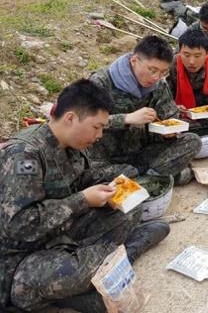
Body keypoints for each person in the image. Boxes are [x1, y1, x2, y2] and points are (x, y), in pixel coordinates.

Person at [0, 80, 169, 312]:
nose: (99, 135)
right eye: (96, 127)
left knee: (129, 207)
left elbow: (79, 179)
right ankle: (119, 258)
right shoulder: (24, 156)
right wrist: (82, 200)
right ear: (70, 118)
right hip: (23, 258)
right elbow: (19, 225)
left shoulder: (71, 144)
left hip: (62, 232)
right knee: (62, 273)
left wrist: (109, 189)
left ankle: (100, 270)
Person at [88, 35, 201, 185]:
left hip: (142, 152)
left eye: (163, 72)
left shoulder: (159, 85)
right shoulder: (100, 82)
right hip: (107, 158)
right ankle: (158, 177)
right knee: (95, 176)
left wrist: (170, 130)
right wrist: (127, 119)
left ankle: (149, 177)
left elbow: (171, 115)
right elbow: (85, 123)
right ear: (134, 61)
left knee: (192, 141)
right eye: (152, 70)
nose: (156, 77)